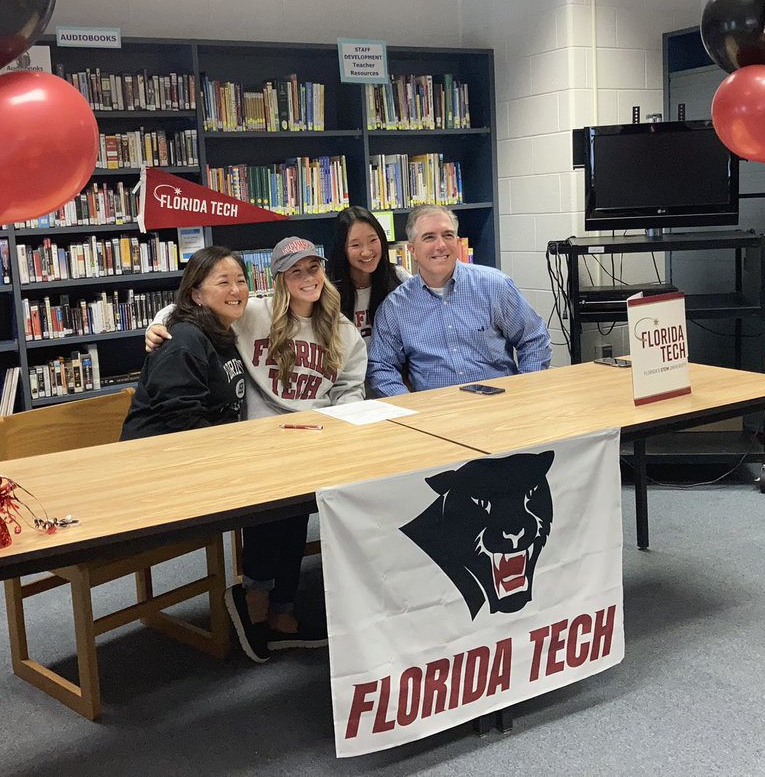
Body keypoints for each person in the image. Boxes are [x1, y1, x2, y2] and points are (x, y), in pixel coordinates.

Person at [144, 236, 367, 663]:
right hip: (260, 441)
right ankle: (257, 602)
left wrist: (341, 421)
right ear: (280, 279)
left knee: (300, 510)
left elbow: (349, 387)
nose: (308, 278)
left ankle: (280, 607)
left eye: (313, 269)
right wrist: (156, 327)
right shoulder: (252, 313)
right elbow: (189, 310)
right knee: (273, 510)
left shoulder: (342, 330)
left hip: (314, 438)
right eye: (296, 271)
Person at [367, 204, 552, 396]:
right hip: (436, 413)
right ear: (412, 249)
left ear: (457, 241)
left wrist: (524, 390)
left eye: (447, 235)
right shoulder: (395, 307)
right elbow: (381, 367)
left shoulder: (494, 286)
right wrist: (410, 408)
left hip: (500, 404)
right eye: (429, 237)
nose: (441, 245)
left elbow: (534, 339)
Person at [120, 246, 248, 440]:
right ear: (196, 295)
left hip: (209, 445)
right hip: (160, 454)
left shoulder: (223, 331)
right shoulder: (183, 339)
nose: (236, 290)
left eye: (241, 281)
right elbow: (182, 419)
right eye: (224, 282)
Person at [328, 206, 409, 344]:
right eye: (355, 245)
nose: (366, 252)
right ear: (342, 249)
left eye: (373, 240)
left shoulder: (400, 278)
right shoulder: (328, 289)